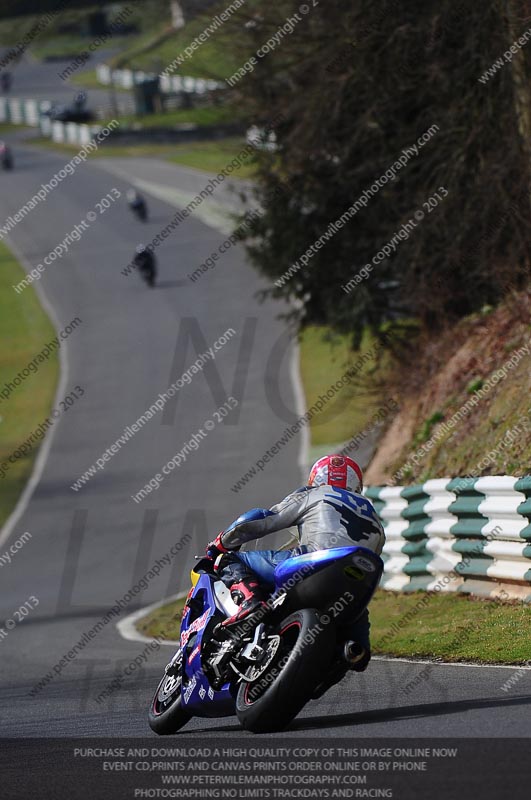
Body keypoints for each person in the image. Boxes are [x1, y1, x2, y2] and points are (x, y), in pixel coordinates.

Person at [206, 454, 385, 671]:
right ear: (357, 484)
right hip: (355, 586)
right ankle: (355, 650)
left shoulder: (316, 493)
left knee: (228, 560)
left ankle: (250, 602)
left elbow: (264, 518)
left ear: (315, 479)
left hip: (312, 563)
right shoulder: (376, 519)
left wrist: (223, 541)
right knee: (358, 638)